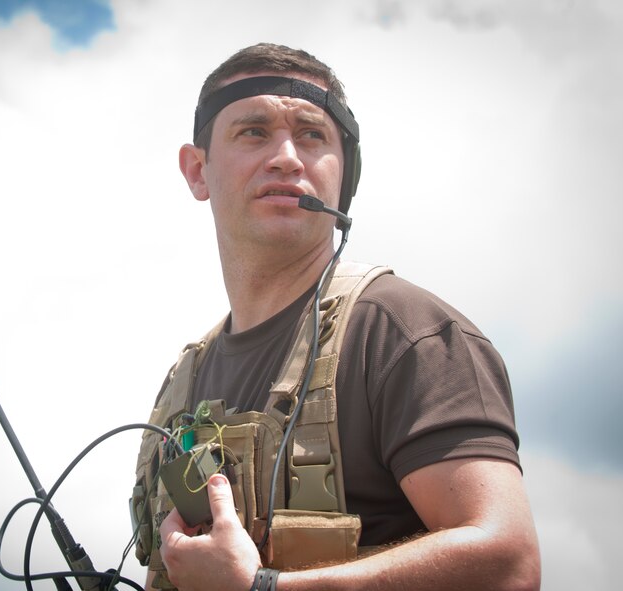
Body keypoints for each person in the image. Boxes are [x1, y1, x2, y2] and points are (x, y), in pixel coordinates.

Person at [138, 43, 540, 591]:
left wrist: (264, 589)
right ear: (197, 170)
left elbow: (508, 564)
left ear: (343, 174)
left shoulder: (402, 331)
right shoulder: (183, 383)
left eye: (311, 135)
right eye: (253, 132)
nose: (286, 156)